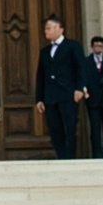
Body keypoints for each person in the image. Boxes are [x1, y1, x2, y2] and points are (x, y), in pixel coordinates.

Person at [34, 14, 87, 160]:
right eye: (46, 28)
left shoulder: (72, 46)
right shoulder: (44, 52)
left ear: (60, 29)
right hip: (50, 97)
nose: (47, 31)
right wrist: (39, 98)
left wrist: (80, 87)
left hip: (68, 94)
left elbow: (80, 68)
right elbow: (41, 76)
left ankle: (69, 159)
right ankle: (62, 156)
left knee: (69, 128)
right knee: (54, 129)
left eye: (50, 28)